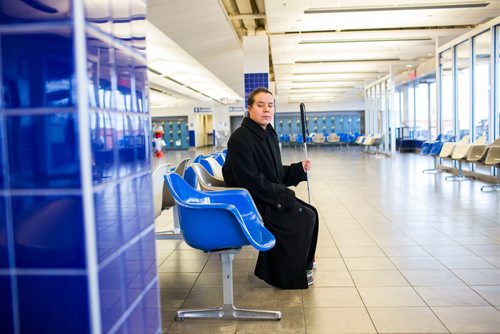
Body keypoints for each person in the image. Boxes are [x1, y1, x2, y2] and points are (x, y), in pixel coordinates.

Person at [222, 87, 319, 289]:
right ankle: (286, 275)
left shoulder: (268, 134)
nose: (267, 110)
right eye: (260, 105)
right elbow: (250, 180)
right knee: (302, 216)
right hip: (252, 201)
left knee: (312, 213)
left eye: (270, 105)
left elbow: (274, 173)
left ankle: (304, 264)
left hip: (266, 195)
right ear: (249, 108)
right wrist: (282, 193)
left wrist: (297, 169)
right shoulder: (241, 138)